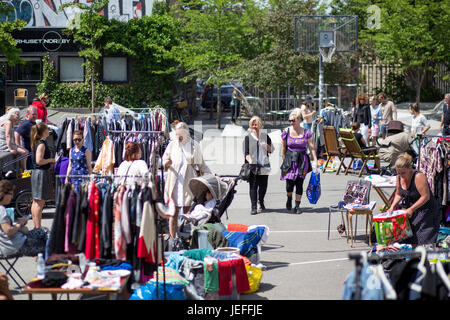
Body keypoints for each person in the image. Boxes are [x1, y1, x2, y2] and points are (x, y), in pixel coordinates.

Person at [162, 122, 211, 238]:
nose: (178, 136)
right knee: (173, 213)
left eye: (180, 133)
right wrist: (166, 163)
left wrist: (210, 176)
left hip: (188, 182)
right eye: (176, 133)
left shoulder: (194, 146)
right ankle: (173, 238)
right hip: (174, 182)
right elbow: (165, 159)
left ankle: (186, 237)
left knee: (188, 212)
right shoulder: (172, 145)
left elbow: (202, 165)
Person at [387, 153, 440, 245]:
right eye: (398, 173)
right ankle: (415, 257)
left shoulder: (418, 177)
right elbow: (398, 194)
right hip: (412, 209)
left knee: (422, 238)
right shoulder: (399, 177)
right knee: (411, 237)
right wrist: (392, 206)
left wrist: (411, 209)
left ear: (410, 168)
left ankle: (423, 257)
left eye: (403, 173)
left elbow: (425, 196)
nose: (401, 175)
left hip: (426, 210)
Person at [281, 108, 318, 214]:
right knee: (289, 184)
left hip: (302, 160)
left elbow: (311, 147)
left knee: (299, 183)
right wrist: (284, 158)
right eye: (290, 121)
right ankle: (289, 198)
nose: (291, 122)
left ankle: (297, 206)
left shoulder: (306, 132)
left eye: (293, 120)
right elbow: (284, 147)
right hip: (289, 159)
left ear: (299, 119)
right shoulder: (286, 131)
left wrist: (315, 160)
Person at [0, 180, 47, 257]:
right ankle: (49, 264)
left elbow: (4, 228)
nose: (12, 197)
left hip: (11, 245)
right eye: (10, 194)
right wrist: (20, 223)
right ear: (3, 194)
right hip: (15, 246)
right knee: (46, 235)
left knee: (43, 233)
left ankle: (45, 263)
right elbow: (8, 231)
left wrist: (19, 224)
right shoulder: (1, 209)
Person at [243, 116, 273, 215]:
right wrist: (251, 162)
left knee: (263, 186)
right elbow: (246, 154)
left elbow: (271, 150)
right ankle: (254, 207)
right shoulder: (248, 137)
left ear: (260, 125)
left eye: (256, 124)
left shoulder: (265, 136)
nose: (254, 126)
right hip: (253, 166)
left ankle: (261, 200)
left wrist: (266, 145)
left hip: (264, 164)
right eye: (253, 124)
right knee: (253, 186)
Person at [30, 122, 55, 229]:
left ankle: (36, 226)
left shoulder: (37, 142)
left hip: (36, 173)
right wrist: (51, 160)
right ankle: (38, 227)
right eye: (47, 129)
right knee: (40, 202)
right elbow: (39, 160)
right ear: (43, 131)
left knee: (36, 201)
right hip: (41, 173)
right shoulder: (41, 144)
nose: (48, 130)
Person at [0, 108, 29, 172]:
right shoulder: (8, 122)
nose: (18, 116)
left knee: (23, 150)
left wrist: (18, 145)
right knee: (25, 152)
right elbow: (7, 136)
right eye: (17, 114)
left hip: (6, 142)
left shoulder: (6, 121)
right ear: (12, 114)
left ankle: (21, 169)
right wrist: (10, 149)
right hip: (5, 144)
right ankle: (24, 170)